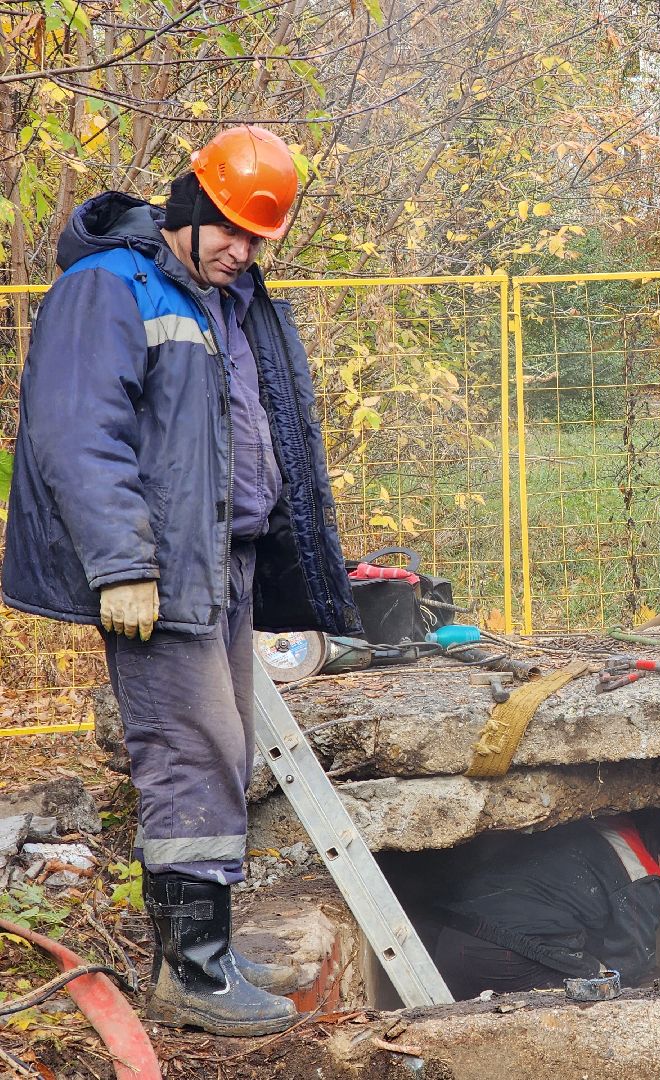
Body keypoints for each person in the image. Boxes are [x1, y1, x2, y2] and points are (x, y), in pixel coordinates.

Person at [2, 126, 359, 1036]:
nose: (243, 251)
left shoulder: (222, 297)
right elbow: (77, 435)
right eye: (231, 230)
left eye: (257, 239)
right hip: (157, 575)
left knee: (224, 750)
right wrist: (122, 567)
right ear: (189, 208)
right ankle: (190, 978)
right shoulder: (109, 288)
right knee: (190, 749)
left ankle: (205, 950)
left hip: (224, 562)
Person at [409, 808, 660, 997]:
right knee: (604, 989)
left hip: (448, 938)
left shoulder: (598, 824)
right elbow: (632, 968)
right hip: (504, 955)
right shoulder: (643, 877)